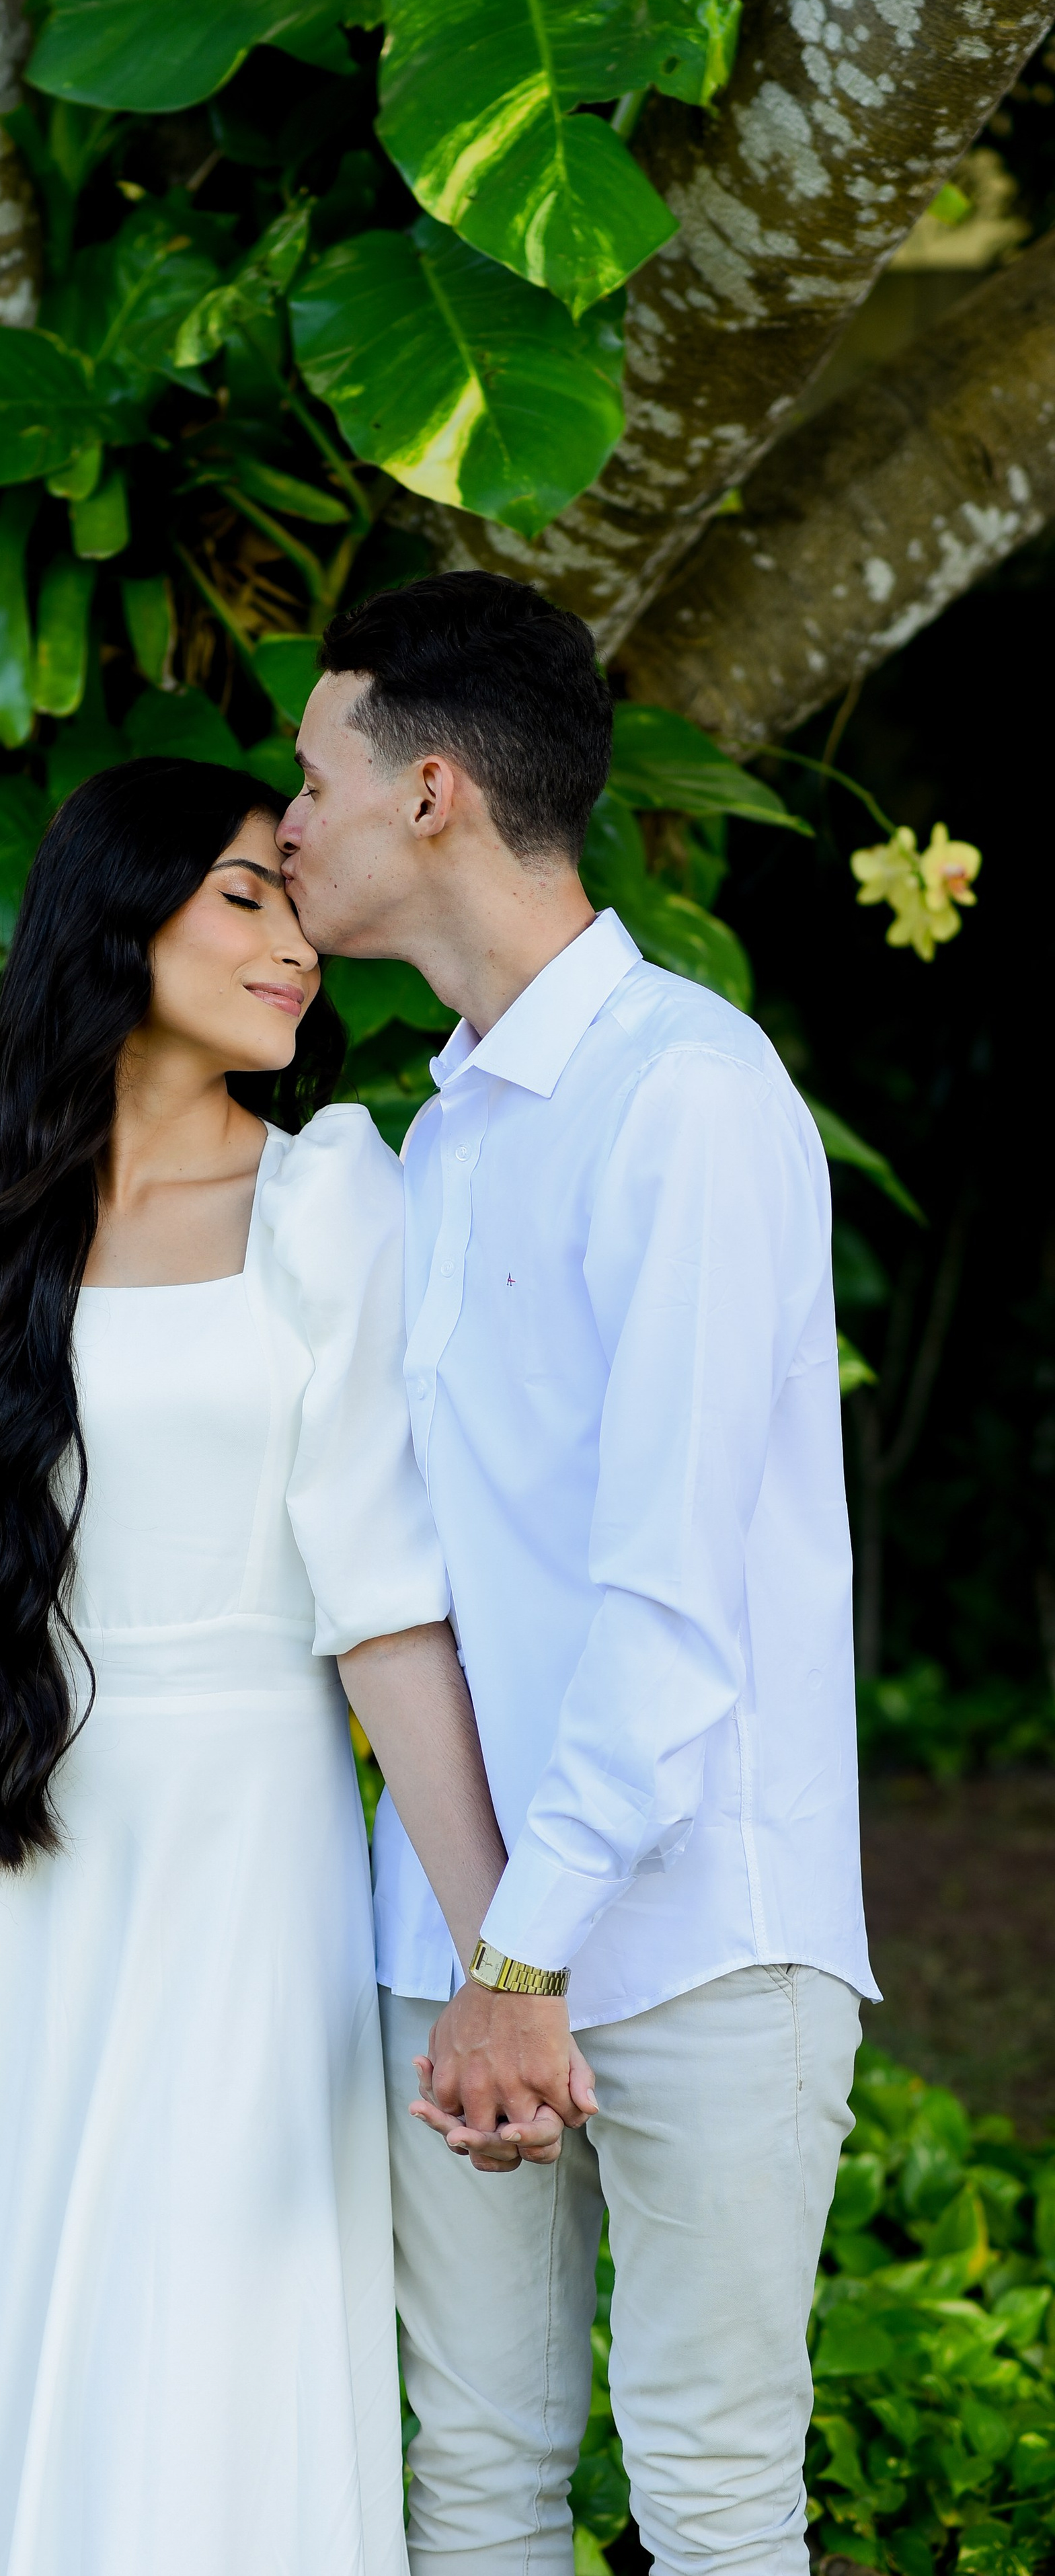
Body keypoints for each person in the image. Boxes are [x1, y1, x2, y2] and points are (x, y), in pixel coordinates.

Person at [0, 757, 512, 2576]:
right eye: (245, 894)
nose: (296, 944)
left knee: (193, 2336)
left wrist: (501, 1949)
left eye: (300, 902)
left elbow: (379, 1605)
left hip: (238, 1858)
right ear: (114, 921)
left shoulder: (327, 1202)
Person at [277, 572, 877, 2576]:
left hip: (699, 1933)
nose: (290, 826)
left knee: (709, 2487)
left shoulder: (687, 1100)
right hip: (458, 1954)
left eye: (312, 774)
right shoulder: (435, 1145)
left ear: (429, 790)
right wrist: (480, 1954)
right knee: (476, 2474)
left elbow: (667, 1595)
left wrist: (526, 1959)